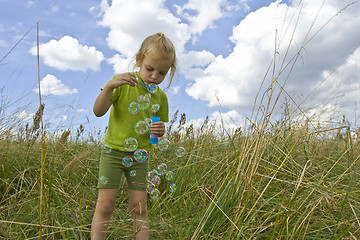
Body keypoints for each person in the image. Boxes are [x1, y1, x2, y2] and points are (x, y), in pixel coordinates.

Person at [91, 33, 177, 240]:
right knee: (106, 204)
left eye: (162, 72)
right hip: (112, 152)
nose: (155, 76)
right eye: (150, 68)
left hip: (140, 157)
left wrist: (160, 131)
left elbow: (157, 129)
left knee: (139, 208)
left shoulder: (160, 96)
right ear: (139, 60)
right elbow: (98, 111)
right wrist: (111, 85)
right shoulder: (121, 83)